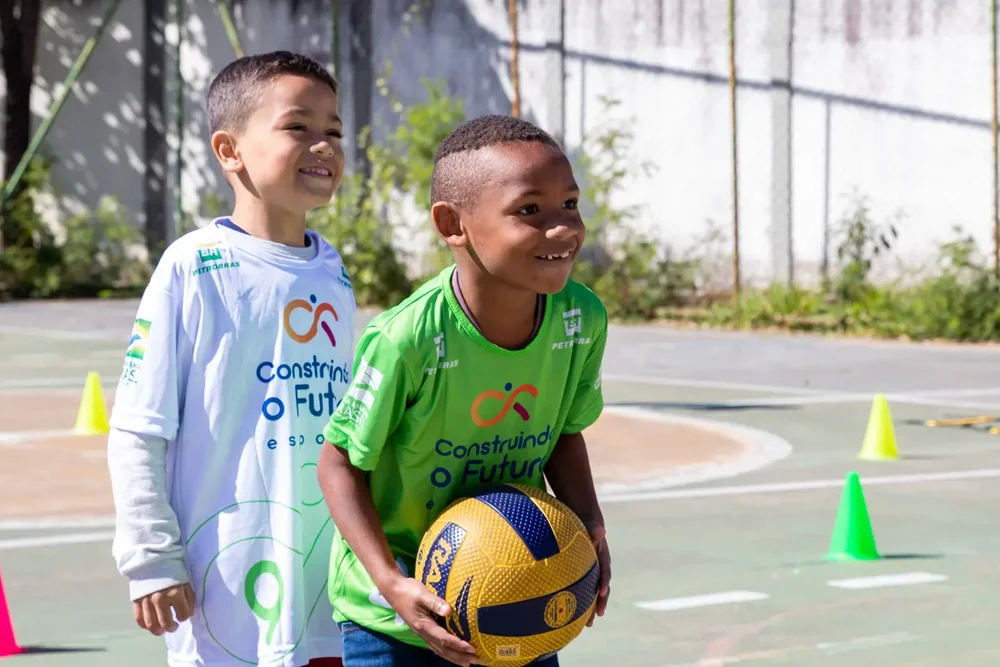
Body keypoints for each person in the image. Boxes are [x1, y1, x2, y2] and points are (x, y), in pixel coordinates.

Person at [317, 114, 611, 667]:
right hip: (398, 618)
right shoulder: (407, 339)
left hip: (519, 596)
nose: (564, 227)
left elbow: (567, 433)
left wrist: (589, 523)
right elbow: (338, 464)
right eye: (530, 211)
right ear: (453, 224)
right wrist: (389, 583)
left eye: (570, 204)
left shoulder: (581, 318)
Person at [107, 50, 355, 667]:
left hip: (327, 581)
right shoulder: (195, 264)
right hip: (226, 583)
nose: (322, 145)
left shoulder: (334, 273)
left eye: (334, 131)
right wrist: (153, 558)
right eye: (299, 127)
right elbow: (140, 426)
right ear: (230, 150)